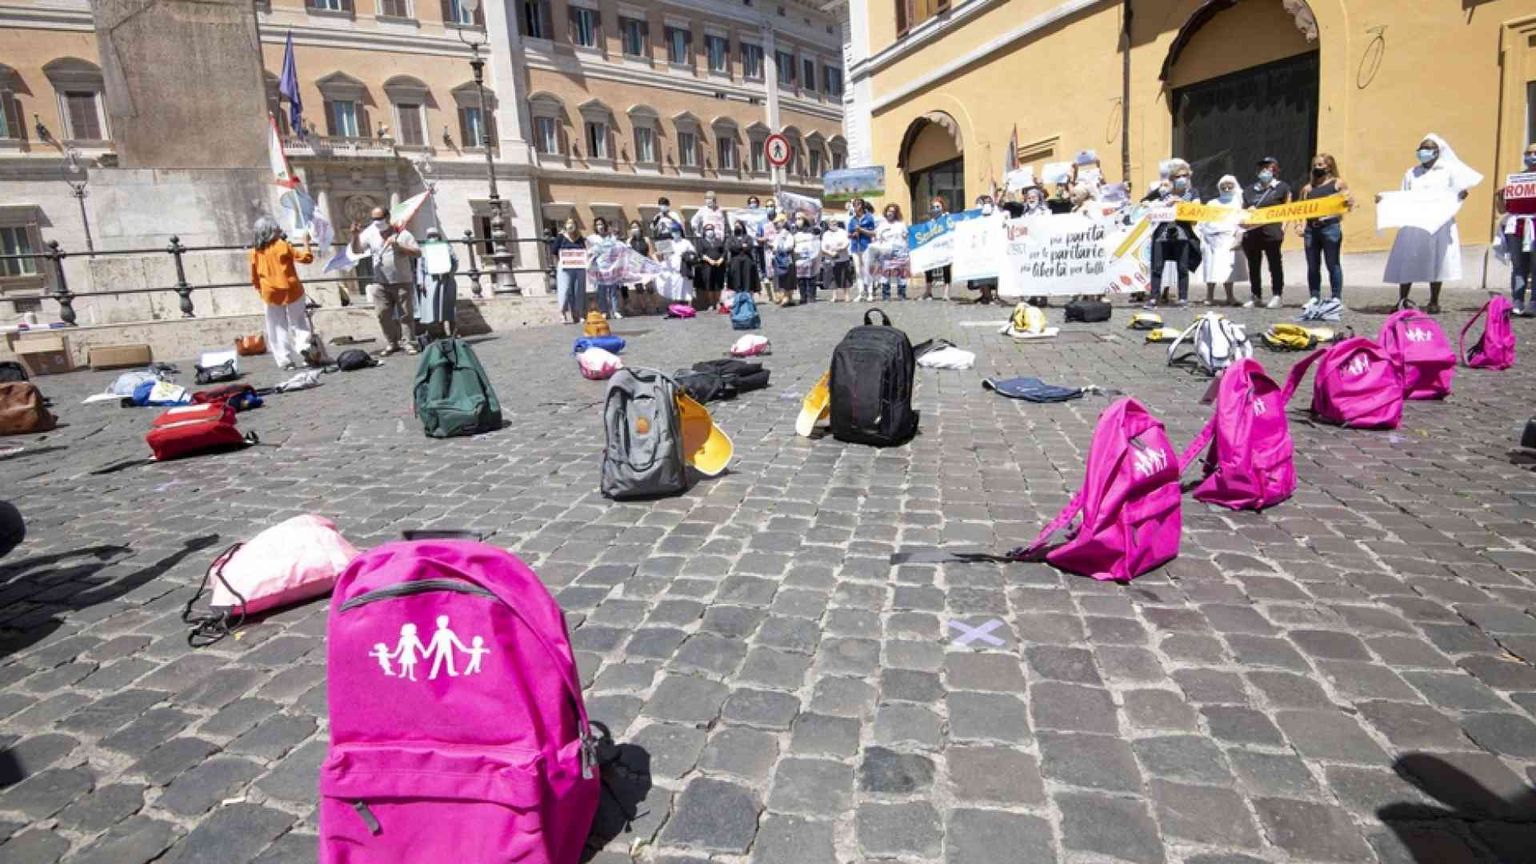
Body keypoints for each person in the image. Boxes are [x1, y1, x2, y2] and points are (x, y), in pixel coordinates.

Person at [1382, 134, 1482, 314]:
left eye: (1427, 148)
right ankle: (1402, 299)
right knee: (1408, 259)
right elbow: (1403, 195)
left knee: (1436, 259)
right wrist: (1385, 200)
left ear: (1437, 152)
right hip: (1414, 222)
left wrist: (1460, 195)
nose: (1423, 152)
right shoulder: (1411, 173)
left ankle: (1434, 300)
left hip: (1438, 223)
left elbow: (1457, 192)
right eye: (1421, 148)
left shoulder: (1447, 172)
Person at [350, 206, 421, 355]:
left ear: (388, 218)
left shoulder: (403, 234)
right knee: (382, 314)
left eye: (379, 218)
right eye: (374, 219)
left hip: (401, 280)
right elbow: (356, 250)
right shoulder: (371, 234)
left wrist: (398, 246)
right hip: (379, 282)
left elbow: (417, 253)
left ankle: (409, 343)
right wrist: (355, 236)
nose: (376, 222)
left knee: (406, 315)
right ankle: (392, 342)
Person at [248, 216, 315, 369]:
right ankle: (303, 346)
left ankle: (285, 360)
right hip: (292, 289)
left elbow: (254, 276)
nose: (280, 230)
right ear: (272, 231)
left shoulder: (254, 252)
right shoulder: (282, 245)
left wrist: (260, 290)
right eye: (277, 228)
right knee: (298, 321)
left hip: (270, 292)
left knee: (277, 326)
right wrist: (306, 242)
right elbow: (306, 258)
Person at [1296, 153, 1354, 306]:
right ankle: (1314, 296)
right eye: (1315, 165)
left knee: (1332, 263)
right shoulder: (1307, 189)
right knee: (1313, 264)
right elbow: (1299, 209)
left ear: (1329, 167)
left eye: (1320, 165)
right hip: (1311, 229)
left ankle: (1336, 297)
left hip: (1330, 228)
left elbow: (1347, 205)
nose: (1317, 168)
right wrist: (1299, 224)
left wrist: (1346, 202)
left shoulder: (1338, 184)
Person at [1141, 160, 1201, 308]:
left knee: (1182, 266)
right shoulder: (1163, 193)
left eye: (1185, 176)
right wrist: (1155, 204)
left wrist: (1181, 204)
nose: (1182, 179)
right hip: (1162, 234)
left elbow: (1197, 210)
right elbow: (1144, 203)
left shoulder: (1193, 193)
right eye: (1179, 176)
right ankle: (1154, 298)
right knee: (1157, 266)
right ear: (1172, 179)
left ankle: (1183, 298)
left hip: (1183, 233)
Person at [1241, 156, 1292, 308]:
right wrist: (1246, 213)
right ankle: (1255, 295)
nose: (1264, 171)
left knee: (1274, 263)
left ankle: (1277, 295)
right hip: (1252, 233)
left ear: (1275, 170)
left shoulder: (1282, 187)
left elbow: (1289, 210)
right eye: (1262, 168)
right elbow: (1242, 210)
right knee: (1253, 265)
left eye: (1268, 168)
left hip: (1272, 231)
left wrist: (1283, 228)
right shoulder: (1249, 190)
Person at [1495, 141, 1536, 315]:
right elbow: (1502, 209)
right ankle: (1517, 300)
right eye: (1528, 153)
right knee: (1518, 265)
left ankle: (1534, 302)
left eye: (1534, 153)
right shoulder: (1516, 180)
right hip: (1516, 226)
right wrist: (1499, 196)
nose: (1531, 157)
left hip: (1534, 224)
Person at [1197, 175, 1245, 307]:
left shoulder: (1238, 204)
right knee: (1211, 269)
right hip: (1211, 240)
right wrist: (1205, 236)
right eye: (1224, 186)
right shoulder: (1212, 203)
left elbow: (1242, 222)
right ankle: (1209, 296)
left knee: (1228, 270)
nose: (1227, 188)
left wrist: (1238, 238)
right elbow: (1202, 221)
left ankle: (1230, 296)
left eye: (1230, 186)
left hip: (1229, 240)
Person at [414, 227, 459, 338]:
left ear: (439, 236)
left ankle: (452, 331)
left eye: (434, 235)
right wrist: (421, 282)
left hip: (446, 279)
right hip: (430, 280)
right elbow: (420, 267)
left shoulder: (447, 247)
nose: (432, 238)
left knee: (448, 306)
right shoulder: (424, 249)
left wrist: (450, 272)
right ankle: (434, 332)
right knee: (432, 307)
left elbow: (455, 261)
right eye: (430, 236)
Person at [968, 195, 1002, 305]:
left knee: (996, 273)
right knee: (982, 273)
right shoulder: (975, 216)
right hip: (980, 248)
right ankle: (986, 295)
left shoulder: (997, 214)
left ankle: (996, 295)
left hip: (994, 247)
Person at [552, 218, 588, 323]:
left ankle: (579, 313)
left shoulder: (580, 238)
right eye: (568, 223)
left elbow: (584, 250)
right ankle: (562, 313)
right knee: (565, 289)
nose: (570, 225)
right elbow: (554, 251)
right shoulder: (561, 237)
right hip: (565, 267)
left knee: (579, 290)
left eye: (572, 223)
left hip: (579, 267)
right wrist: (560, 263)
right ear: (565, 225)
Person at [588, 217, 624, 319]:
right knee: (601, 291)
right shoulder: (592, 238)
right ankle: (604, 311)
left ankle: (616, 310)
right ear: (595, 226)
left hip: (611, 266)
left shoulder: (611, 237)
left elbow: (618, 246)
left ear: (605, 225)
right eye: (598, 224)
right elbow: (588, 251)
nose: (600, 226)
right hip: (599, 268)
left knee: (613, 290)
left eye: (601, 224)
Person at [874, 203, 910, 300]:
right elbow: (877, 238)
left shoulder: (901, 224)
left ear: (896, 213)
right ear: (886, 212)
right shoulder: (881, 225)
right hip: (886, 251)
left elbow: (906, 237)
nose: (890, 213)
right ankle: (886, 295)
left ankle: (901, 294)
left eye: (893, 212)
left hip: (900, 250)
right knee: (885, 273)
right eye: (889, 211)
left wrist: (907, 250)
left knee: (901, 274)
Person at [656, 226, 695, 305]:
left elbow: (693, 253)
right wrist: (661, 254)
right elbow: (663, 257)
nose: (675, 233)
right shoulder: (669, 243)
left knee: (685, 290)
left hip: (684, 269)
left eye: (677, 231)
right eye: (673, 231)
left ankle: (685, 307)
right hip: (673, 271)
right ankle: (676, 308)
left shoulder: (686, 242)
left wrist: (685, 255)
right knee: (675, 290)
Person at [922, 196, 951, 300]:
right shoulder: (930, 220)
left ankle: (946, 293)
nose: (935, 209)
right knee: (928, 268)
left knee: (946, 269)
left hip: (945, 247)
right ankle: (928, 291)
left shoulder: (947, 218)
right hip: (932, 248)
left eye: (938, 206)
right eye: (933, 207)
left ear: (942, 207)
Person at [849, 198, 878, 301]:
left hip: (865, 246)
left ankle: (870, 293)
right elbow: (849, 234)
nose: (856, 206)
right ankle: (860, 293)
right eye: (854, 205)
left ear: (862, 206)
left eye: (858, 204)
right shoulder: (852, 220)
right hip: (855, 247)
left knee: (867, 270)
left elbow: (873, 233)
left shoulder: (869, 217)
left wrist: (861, 230)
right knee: (858, 271)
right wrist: (853, 234)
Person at [821, 217, 853, 302]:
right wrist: (829, 253)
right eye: (831, 222)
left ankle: (846, 296)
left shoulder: (842, 232)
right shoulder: (825, 234)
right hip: (831, 259)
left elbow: (846, 243)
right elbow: (823, 247)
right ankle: (834, 296)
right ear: (828, 224)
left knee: (845, 278)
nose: (834, 223)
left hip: (843, 258)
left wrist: (838, 249)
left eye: (835, 221)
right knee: (833, 278)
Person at [624, 220, 653, 315]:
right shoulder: (628, 241)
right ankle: (644, 307)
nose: (634, 229)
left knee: (650, 287)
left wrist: (656, 263)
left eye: (636, 227)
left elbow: (651, 253)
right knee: (639, 288)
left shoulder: (646, 239)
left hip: (645, 266)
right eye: (632, 227)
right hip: (635, 267)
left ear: (640, 228)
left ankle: (654, 305)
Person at [695, 223, 727, 310]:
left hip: (719, 265)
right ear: (704, 231)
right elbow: (700, 253)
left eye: (711, 229)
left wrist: (721, 259)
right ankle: (711, 303)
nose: (710, 231)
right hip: (707, 267)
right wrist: (709, 260)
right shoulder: (701, 241)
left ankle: (717, 302)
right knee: (709, 285)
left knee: (718, 285)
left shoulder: (718, 240)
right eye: (708, 229)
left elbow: (724, 251)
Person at [726, 220, 757, 297]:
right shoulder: (731, 238)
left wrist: (738, 246)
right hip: (735, 262)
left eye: (739, 226)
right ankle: (738, 298)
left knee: (747, 280)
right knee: (737, 280)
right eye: (735, 226)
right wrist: (742, 246)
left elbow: (749, 247)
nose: (737, 227)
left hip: (747, 261)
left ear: (742, 227)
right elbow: (730, 247)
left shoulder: (748, 237)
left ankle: (747, 298)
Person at [793, 216, 820, 305]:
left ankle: (811, 296)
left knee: (811, 278)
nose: (798, 221)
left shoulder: (812, 231)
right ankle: (803, 297)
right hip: (799, 259)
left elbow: (817, 243)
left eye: (800, 219)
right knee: (800, 279)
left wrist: (814, 256)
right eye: (796, 219)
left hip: (810, 258)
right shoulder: (794, 233)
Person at [770, 214, 797, 305]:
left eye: (777, 223)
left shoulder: (786, 233)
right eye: (775, 223)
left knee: (787, 277)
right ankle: (786, 296)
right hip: (779, 259)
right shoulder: (778, 234)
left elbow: (789, 246)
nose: (776, 225)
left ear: (783, 222)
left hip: (786, 259)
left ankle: (787, 296)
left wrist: (777, 248)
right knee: (781, 277)